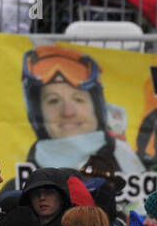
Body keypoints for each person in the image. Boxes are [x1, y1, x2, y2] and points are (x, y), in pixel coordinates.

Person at [20, 45, 146, 175]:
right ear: (37, 112)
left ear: (97, 108)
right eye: (53, 101)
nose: (68, 112)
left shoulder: (145, 173)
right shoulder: (19, 187)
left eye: (78, 99)